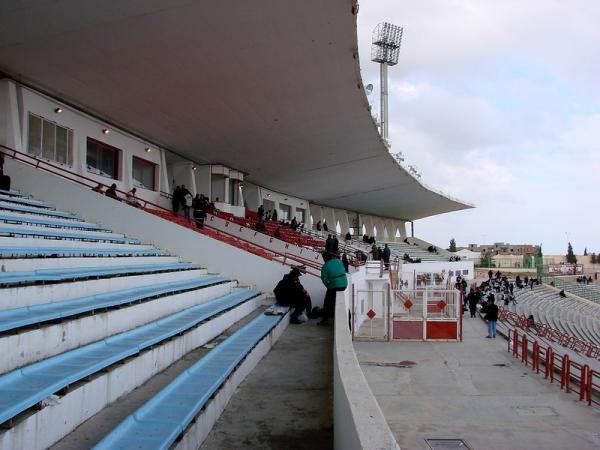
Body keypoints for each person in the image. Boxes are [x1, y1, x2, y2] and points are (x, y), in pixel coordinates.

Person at [319, 252, 348, 325]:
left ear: (324, 258)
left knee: (327, 302)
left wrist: (329, 286)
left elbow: (324, 279)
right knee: (334, 299)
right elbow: (343, 270)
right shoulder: (339, 261)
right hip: (344, 284)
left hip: (335, 286)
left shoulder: (325, 266)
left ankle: (325, 319)